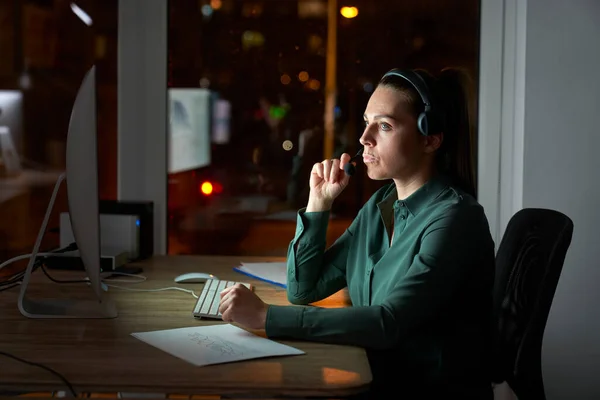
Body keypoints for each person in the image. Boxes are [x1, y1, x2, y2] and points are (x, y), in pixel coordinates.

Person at [218, 67, 495, 398]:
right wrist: (318, 204)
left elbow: (388, 323)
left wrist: (266, 316)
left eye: (385, 126)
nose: (365, 138)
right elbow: (303, 289)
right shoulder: (382, 205)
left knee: (249, 391)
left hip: (417, 391)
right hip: (374, 376)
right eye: (367, 122)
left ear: (430, 138)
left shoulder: (455, 219)